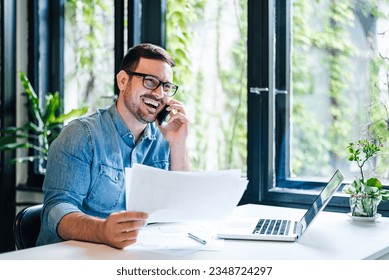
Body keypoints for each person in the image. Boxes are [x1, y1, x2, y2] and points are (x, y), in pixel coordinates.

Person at [36, 43, 190, 249]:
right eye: (150, 81)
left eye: (166, 87)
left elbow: (181, 209)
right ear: (123, 80)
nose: (159, 94)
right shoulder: (81, 135)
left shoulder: (165, 138)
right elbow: (56, 209)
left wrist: (178, 144)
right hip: (73, 261)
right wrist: (102, 231)